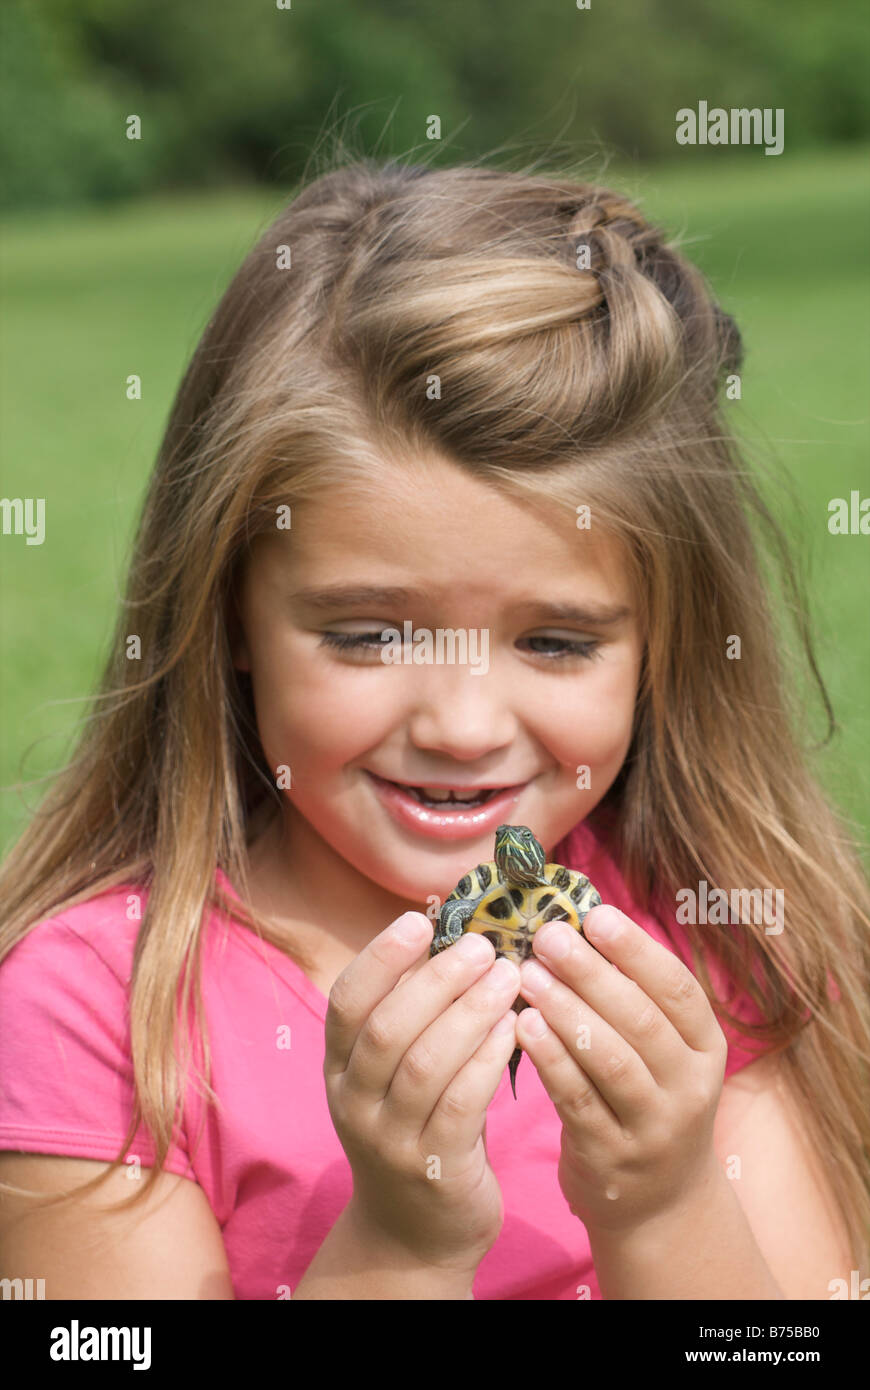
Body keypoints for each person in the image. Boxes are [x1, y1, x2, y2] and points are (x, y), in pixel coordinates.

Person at [0, 155, 867, 1301]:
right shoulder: (98, 1016)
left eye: (556, 642)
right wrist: (403, 1245)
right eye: (366, 635)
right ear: (229, 612)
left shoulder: (716, 940)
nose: (461, 726)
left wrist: (665, 1201)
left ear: (663, 639)